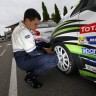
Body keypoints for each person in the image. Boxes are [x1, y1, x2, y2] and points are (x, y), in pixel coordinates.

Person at [12, 8, 58, 89]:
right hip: (24, 60)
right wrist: (46, 51)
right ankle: (30, 77)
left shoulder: (20, 27)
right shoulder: (23, 31)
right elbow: (33, 53)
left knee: (42, 44)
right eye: (35, 24)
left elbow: (31, 42)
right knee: (54, 59)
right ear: (27, 21)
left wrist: (42, 45)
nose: (36, 27)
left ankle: (31, 69)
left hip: (23, 55)